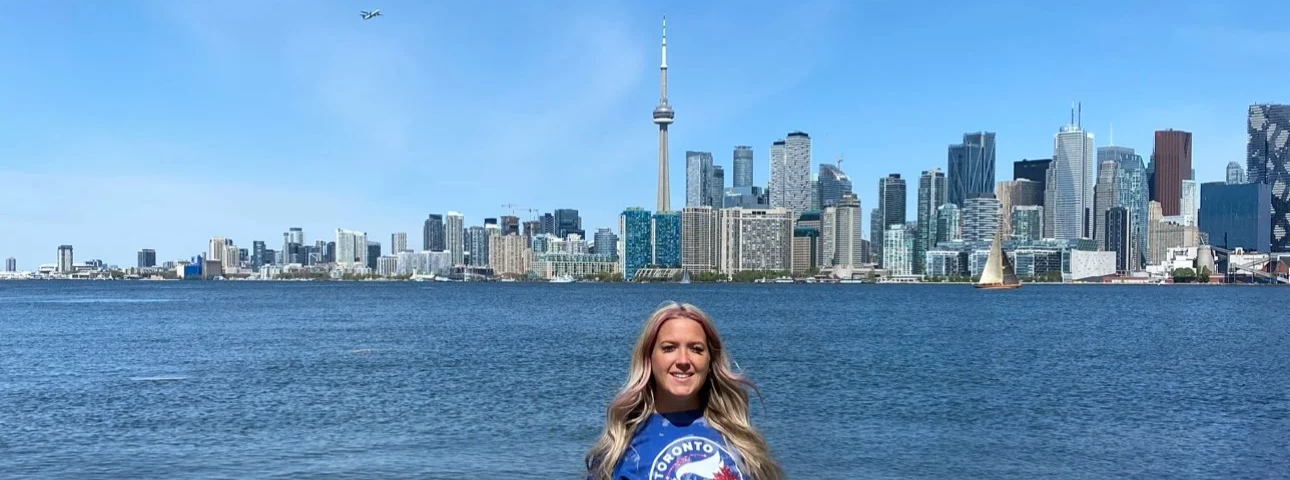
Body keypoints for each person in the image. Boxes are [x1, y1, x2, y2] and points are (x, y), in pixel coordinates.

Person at [584, 301, 784, 480]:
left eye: (696, 349)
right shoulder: (620, 450)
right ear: (649, 359)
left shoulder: (742, 443)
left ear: (710, 361)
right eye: (669, 348)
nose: (683, 361)